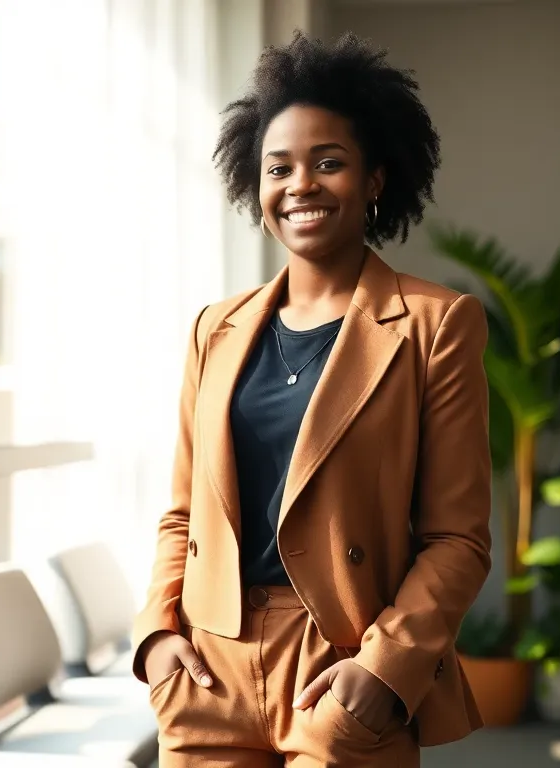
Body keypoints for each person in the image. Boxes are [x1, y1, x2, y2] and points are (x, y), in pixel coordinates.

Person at [132, 31, 493, 767]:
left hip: (340, 663)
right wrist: (158, 637)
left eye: (329, 162)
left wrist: (384, 668)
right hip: (208, 668)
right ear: (255, 184)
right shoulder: (215, 329)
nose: (300, 184)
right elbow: (182, 513)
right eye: (279, 167)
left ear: (375, 180)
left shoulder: (435, 325)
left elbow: (458, 539)